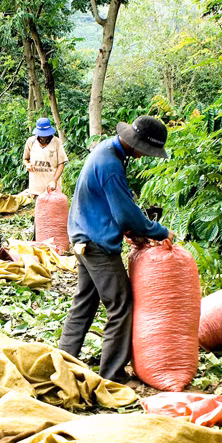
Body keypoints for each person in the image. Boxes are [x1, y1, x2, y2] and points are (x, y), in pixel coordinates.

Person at [58, 115, 174, 384]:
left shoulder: (108, 150)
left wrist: (134, 231)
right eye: (145, 151)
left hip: (82, 236)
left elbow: (117, 204)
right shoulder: (111, 163)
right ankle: (112, 375)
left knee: (84, 303)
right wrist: (158, 231)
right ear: (136, 143)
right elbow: (125, 214)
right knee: (121, 305)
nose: (145, 157)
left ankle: (63, 360)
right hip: (97, 243)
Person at [22, 118, 68, 196]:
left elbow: (61, 164)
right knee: (39, 206)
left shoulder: (57, 142)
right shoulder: (31, 141)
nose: (43, 137)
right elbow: (25, 159)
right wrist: (27, 164)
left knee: (53, 206)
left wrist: (54, 180)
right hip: (36, 186)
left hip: (52, 186)